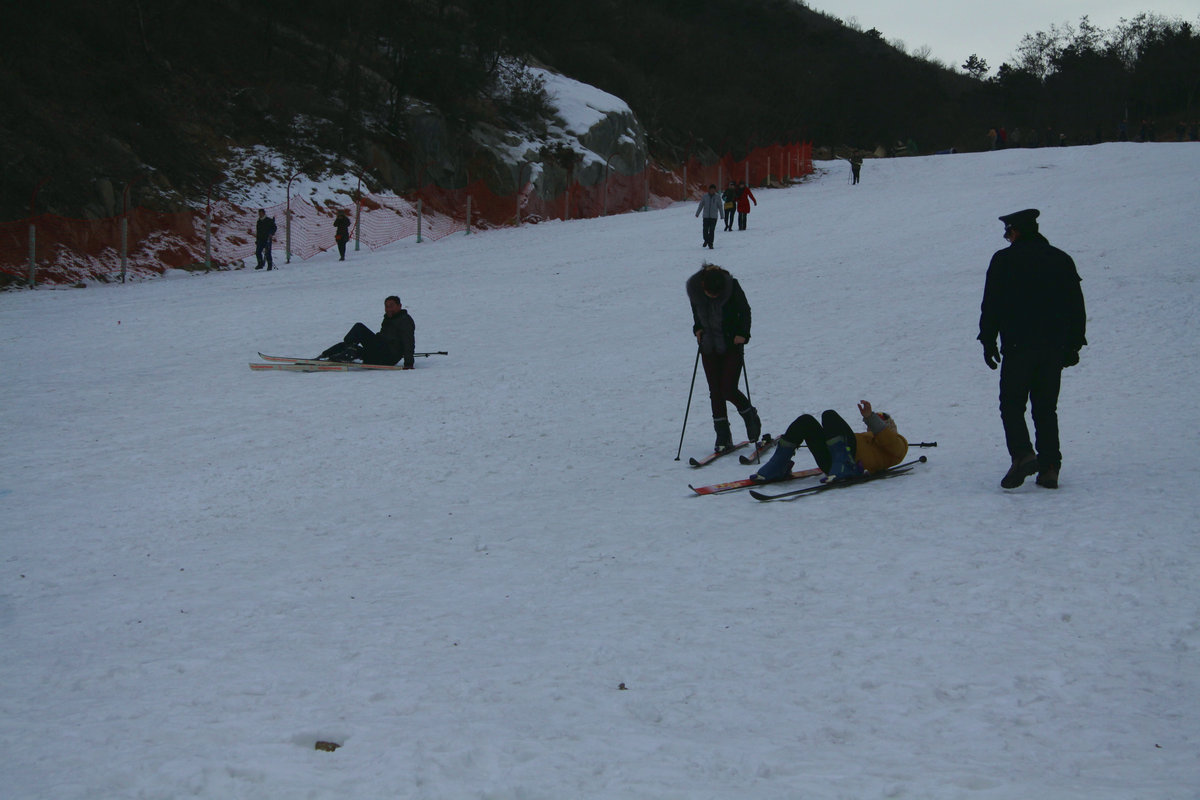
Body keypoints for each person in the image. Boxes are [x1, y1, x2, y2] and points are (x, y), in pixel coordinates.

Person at [978, 208, 1086, 489]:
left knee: (1012, 405)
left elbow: (992, 303)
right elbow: (1076, 305)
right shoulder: (1061, 259)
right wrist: (1074, 344)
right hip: (1053, 348)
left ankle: (1023, 454)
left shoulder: (1004, 260)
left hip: (1018, 346)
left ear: (1015, 232)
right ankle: (1050, 467)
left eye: (1008, 232)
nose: (1006, 238)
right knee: (1046, 408)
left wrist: (988, 340)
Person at [686, 264, 761, 449]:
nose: (714, 296)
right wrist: (698, 329)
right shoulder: (695, 289)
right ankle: (722, 435)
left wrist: (743, 334)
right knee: (715, 391)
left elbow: (745, 311)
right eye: (711, 293)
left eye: (717, 294)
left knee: (728, 388)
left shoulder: (732, 287)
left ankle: (749, 414)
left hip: (731, 343)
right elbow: (697, 314)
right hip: (708, 345)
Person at [751, 401, 907, 481]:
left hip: (851, 461)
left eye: (879, 421)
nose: (872, 425)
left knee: (829, 415)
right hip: (831, 462)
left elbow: (888, 441)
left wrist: (870, 418)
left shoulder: (899, 444)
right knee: (806, 421)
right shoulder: (863, 436)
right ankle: (778, 465)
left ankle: (845, 467)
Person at [318, 295, 416, 368]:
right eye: (386, 306)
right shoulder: (389, 318)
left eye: (391, 306)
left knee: (359, 328)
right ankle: (323, 357)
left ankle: (348, 353)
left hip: (388, 356)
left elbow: (408, 342)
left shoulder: (405, 320)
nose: (388, 309)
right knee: (343, 345)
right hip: (379, 353)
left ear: (400, 306)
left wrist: (409, 363)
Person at [695, 184, 722, 249]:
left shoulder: (717, 197)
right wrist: (697, 213)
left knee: (712, 230)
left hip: (714, 217)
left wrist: (722, 215)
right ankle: (706, 240)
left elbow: (720, 206)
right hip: (706, 216)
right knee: (705, 230)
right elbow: (701, 205)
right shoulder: (705, 196)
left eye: (714, 190)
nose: (712, 191)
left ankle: (710, 244)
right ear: (709, 190)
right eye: (711, 189)